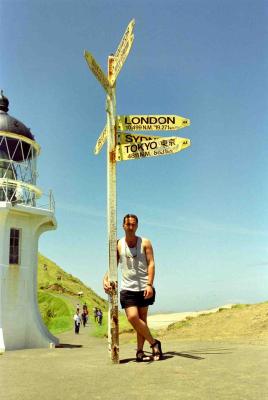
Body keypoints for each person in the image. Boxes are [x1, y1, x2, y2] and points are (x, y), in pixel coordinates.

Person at [103, 214, 162, 362]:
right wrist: (105, 278)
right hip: (127, 288)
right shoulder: (118, 244)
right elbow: (113, 266)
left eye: (133, 224)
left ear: (137, 226)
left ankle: (140, 352)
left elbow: (151, 263)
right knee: (133, 317)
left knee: (142, 320)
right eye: (128, 224)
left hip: (144, 286)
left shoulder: (145, 242)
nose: (130, 227)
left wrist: (150, 284)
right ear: (123, 226)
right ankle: (154, 343)